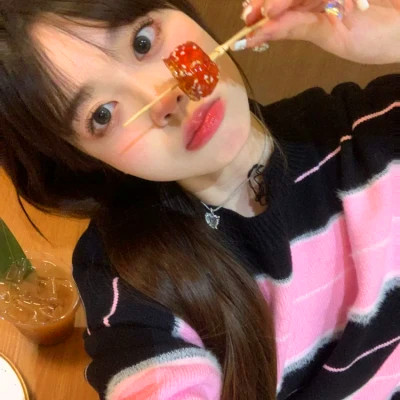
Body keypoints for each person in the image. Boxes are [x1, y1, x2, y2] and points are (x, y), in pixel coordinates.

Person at [0, 0, 398, 398]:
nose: (164, 98)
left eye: (142, 42)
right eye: (102, 115)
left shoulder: (373, 130)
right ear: (83, 161)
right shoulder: (132, 286)